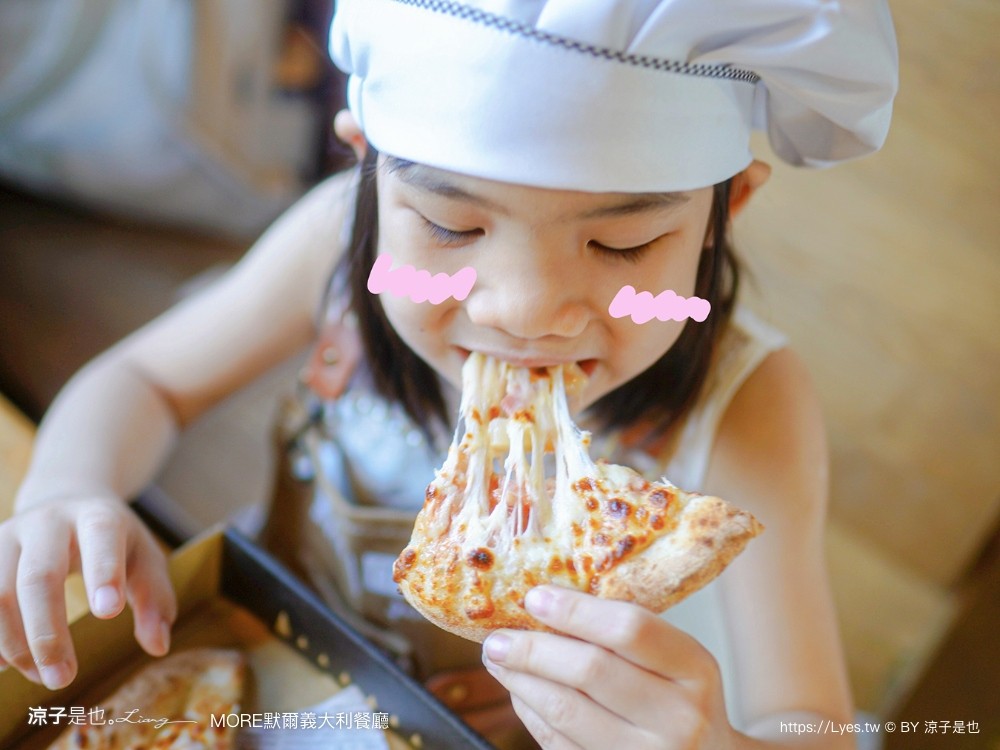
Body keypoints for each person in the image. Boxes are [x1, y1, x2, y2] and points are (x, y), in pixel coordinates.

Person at [0, 1, 898, 747]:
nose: (523, 308)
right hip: (271, 640)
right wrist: (71, 486)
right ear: (366, 171)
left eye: (620, 242)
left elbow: (805, 721)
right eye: (451, 226)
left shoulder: (747, 402)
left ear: (724, 210)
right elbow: (149, 380)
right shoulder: (334, 250)